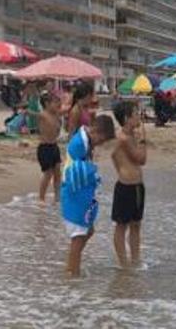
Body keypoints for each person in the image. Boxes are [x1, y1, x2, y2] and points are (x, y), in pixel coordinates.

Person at [61, 114, 116, 278]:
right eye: (102, 140)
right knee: (78, 237)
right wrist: (93, 173)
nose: (101, 144)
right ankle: (72, 274)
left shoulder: (85, 141)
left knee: (88, 230)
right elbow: (74, 173)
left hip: (79, 193)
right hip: (73, 194)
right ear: (96, 132)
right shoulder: (80, 144)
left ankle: (72, 264)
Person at [111, 100, 148, 268]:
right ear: (126, 118)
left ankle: (135, 260)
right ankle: (123, 263)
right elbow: (141, 159)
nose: (139, 115)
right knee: (121, 225)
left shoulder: (131, 136)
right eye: (135, 113)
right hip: (126, 186)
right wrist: (143, 140)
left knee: (136, 225)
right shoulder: (124, 138)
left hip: (137, 185)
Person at [37, 93, 62, 203]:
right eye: (55, 102)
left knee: (57, 172)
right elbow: (33, 113)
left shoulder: (56, 115)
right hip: (44, 147)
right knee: (48, 174)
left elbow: (57, 130)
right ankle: (41, 198)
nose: (58, 104)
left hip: (54, 146)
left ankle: (57, 197)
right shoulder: (43, 115)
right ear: (47, 104)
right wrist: (25, 111)